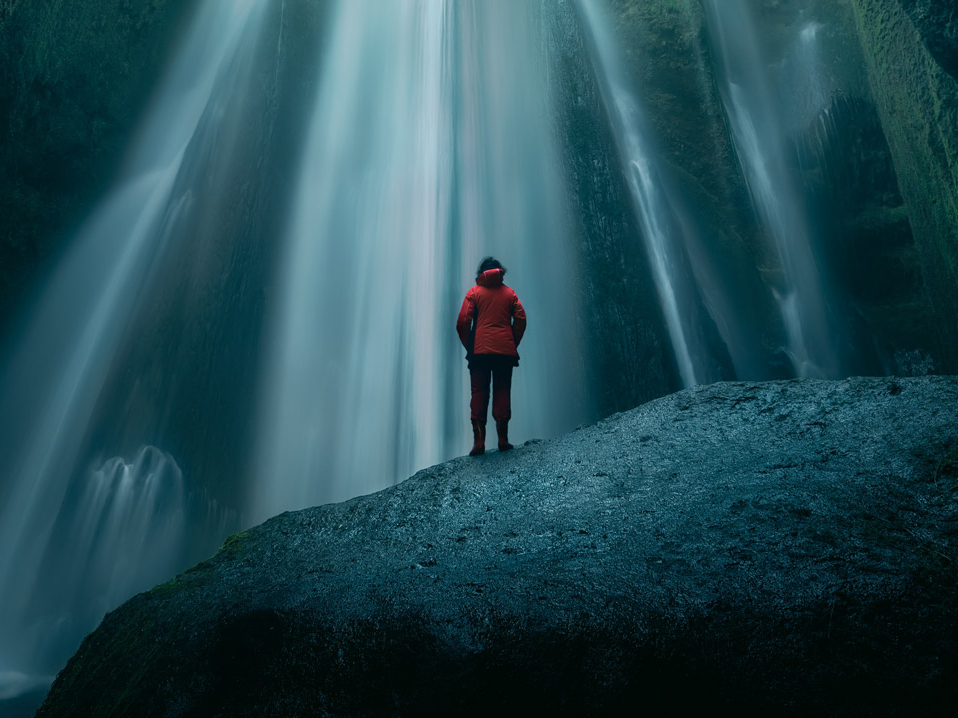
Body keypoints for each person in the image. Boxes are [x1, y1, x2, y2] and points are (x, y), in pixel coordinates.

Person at [456, 256, 526, 456]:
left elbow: (462, 322)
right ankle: (503, 439)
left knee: (479, 392)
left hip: (479, 353)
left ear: (481, 273)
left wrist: (469, 344)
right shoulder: (509, 294)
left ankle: (479, 442)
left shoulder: (474, 293)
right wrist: (512, 341)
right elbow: (521, 318)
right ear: (500, 272)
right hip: (504, 352)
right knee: (502, 390)